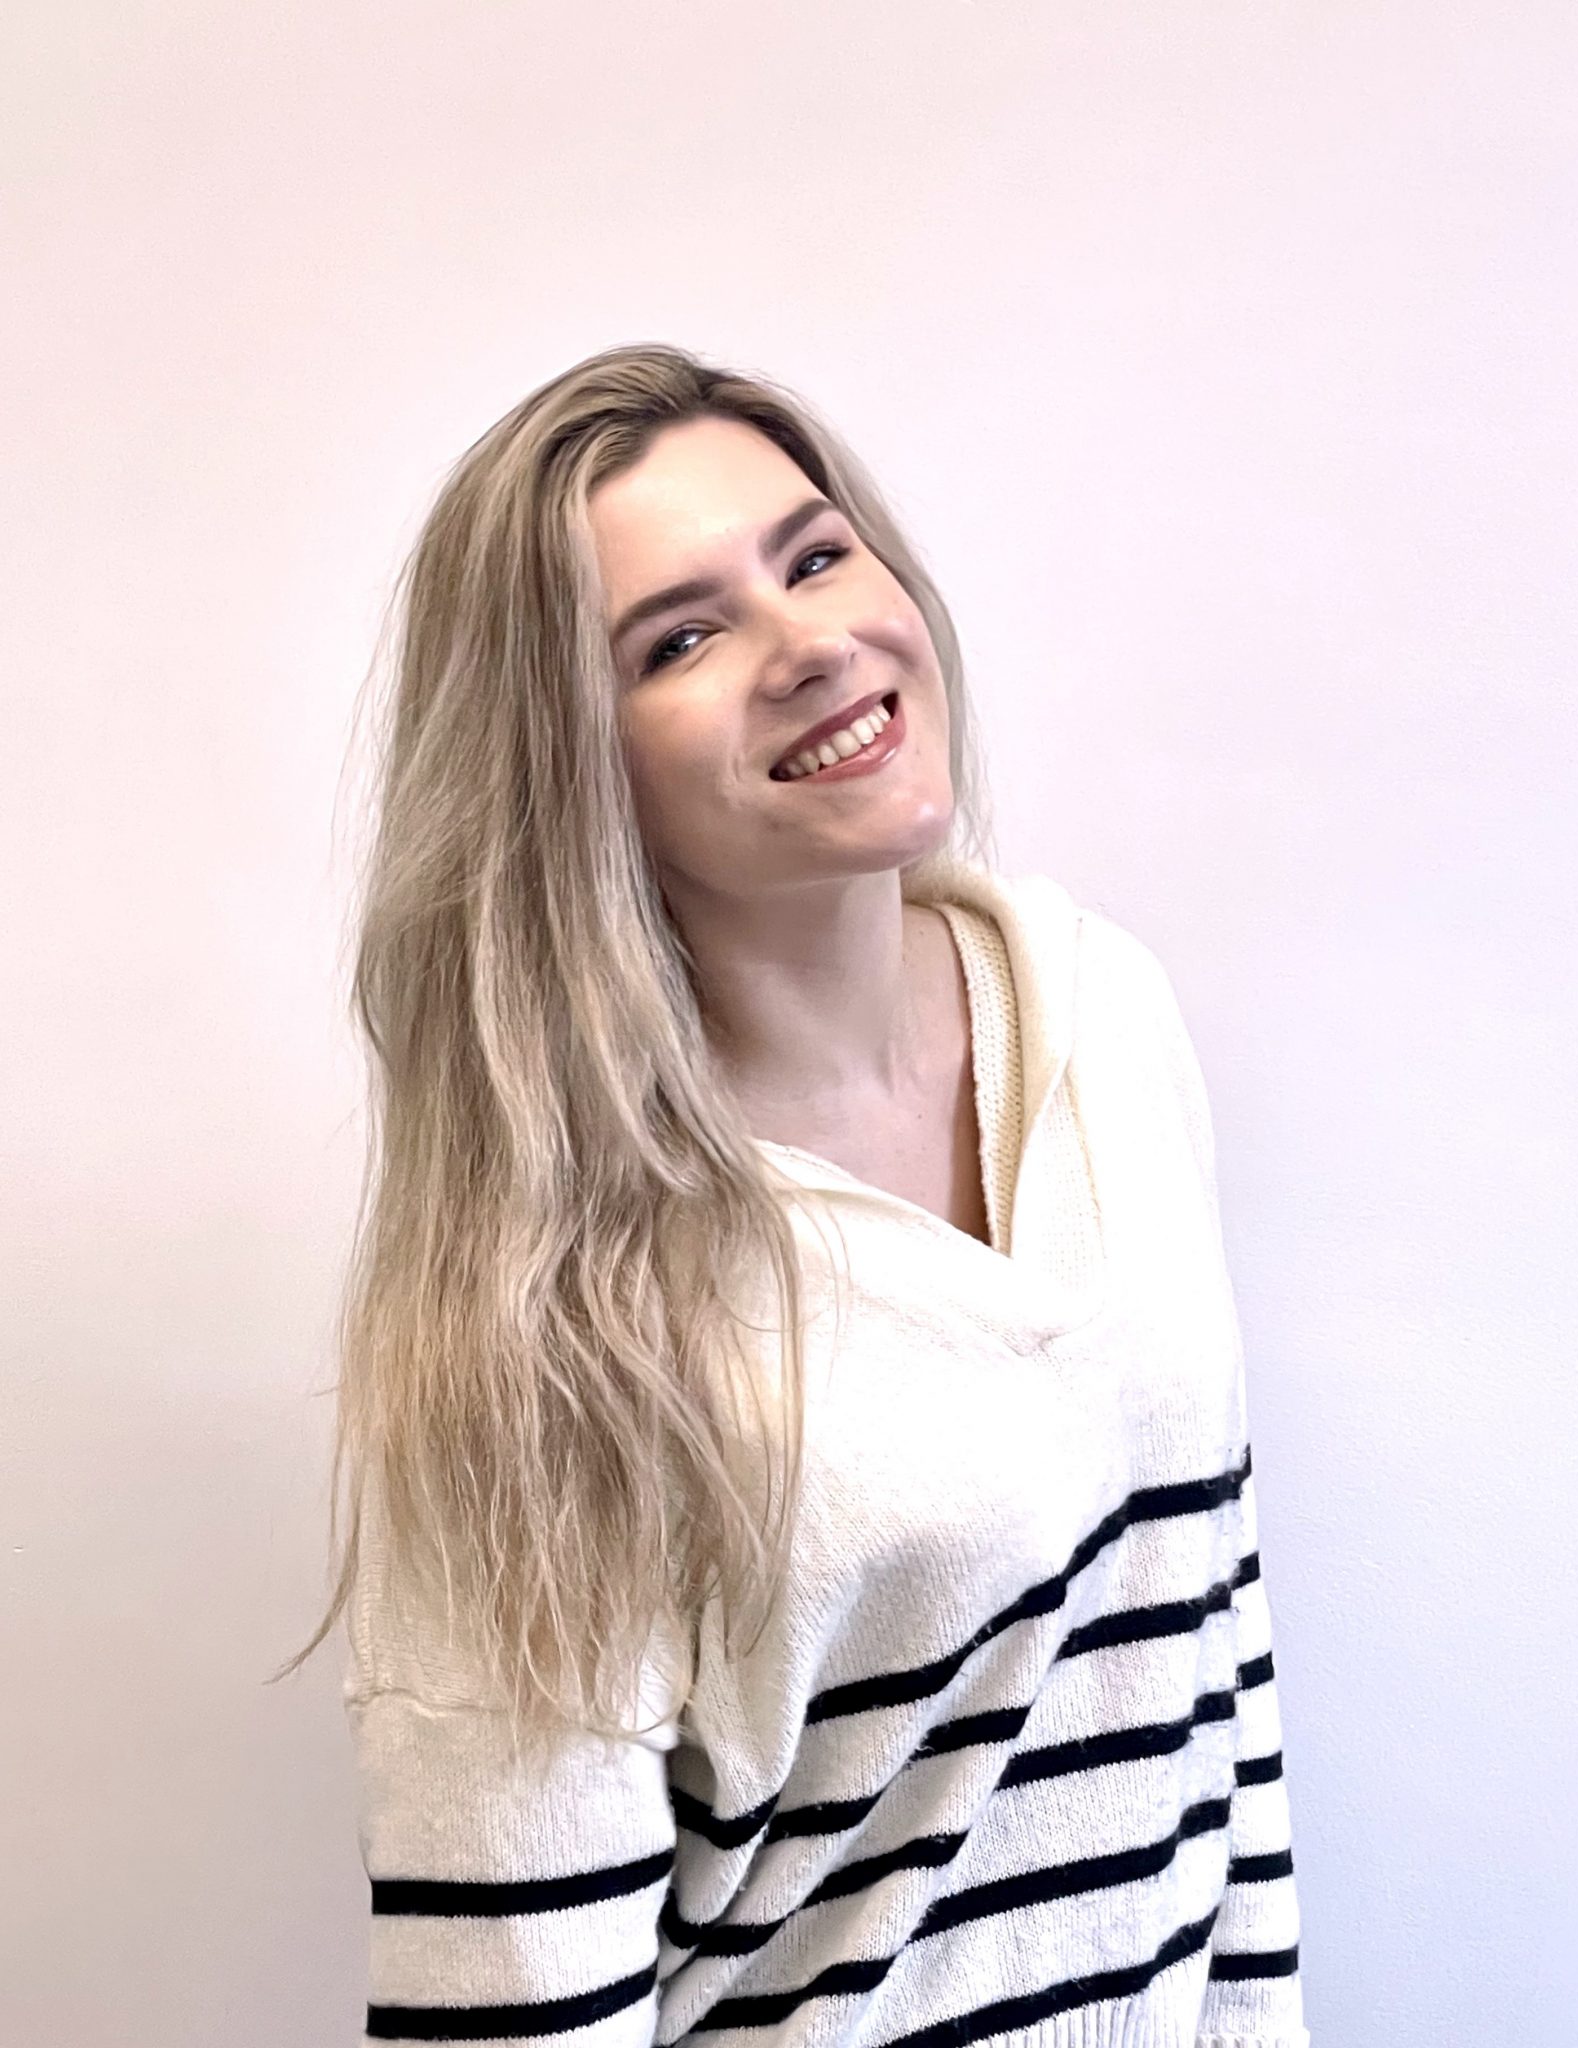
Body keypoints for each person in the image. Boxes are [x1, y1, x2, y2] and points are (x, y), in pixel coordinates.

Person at [282, 342, 1309, 2047]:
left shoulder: (1102, 1019)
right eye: (678, 640)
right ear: (571, 766)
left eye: (815, 556)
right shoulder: (555, 1311)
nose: (813, 644)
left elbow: (1213, 1662)